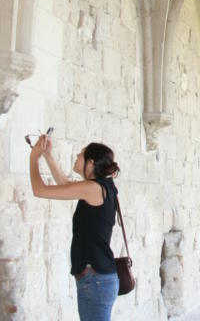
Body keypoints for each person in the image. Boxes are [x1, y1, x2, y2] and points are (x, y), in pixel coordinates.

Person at [29, 134, 121, 321]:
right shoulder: (103, 186)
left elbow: (39, 190)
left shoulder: (93, 188)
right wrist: (47, 155)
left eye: (81, 154)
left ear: (91, 163)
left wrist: (33, 159)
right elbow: (66, 184)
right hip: (100, 278)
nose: (77, 156)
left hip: (95, 280)